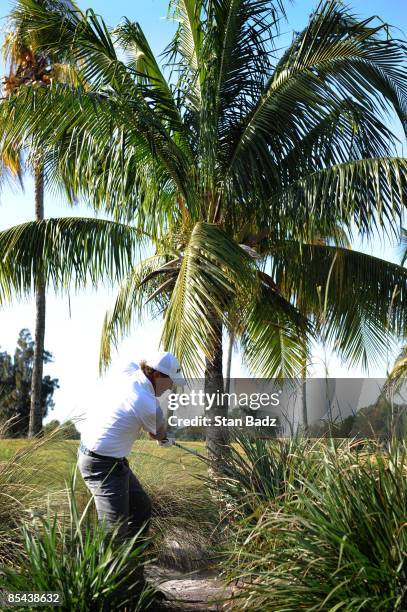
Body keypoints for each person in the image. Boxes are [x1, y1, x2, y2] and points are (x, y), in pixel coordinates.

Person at [77, 350, 185, 555]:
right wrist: (165, 439)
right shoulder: (146, 403)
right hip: (100, 467)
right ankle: (108, 581)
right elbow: (158, 434)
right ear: (156, 375)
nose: (171, 386)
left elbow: (135, 361)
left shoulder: (129, 372)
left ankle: (132, 570)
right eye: (170, 380)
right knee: (113, 532)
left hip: (111, 462)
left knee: (141, 507)